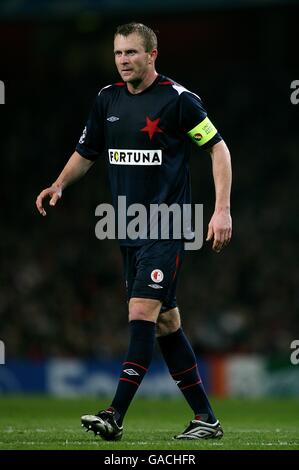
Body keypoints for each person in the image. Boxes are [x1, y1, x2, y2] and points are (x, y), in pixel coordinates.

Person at [36, 22, 232, 441]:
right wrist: (58, 184)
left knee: (142, 313)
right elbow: (86, 152)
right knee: (166, 324)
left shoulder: (178, 101)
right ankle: (206, 419)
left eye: (132, 53)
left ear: (152, 54)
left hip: (167, 226)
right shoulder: (107, 100)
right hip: (127, 229)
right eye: (118, 54)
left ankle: (114, 414)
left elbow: (218, 147)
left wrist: (221, 211)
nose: (124, 60)